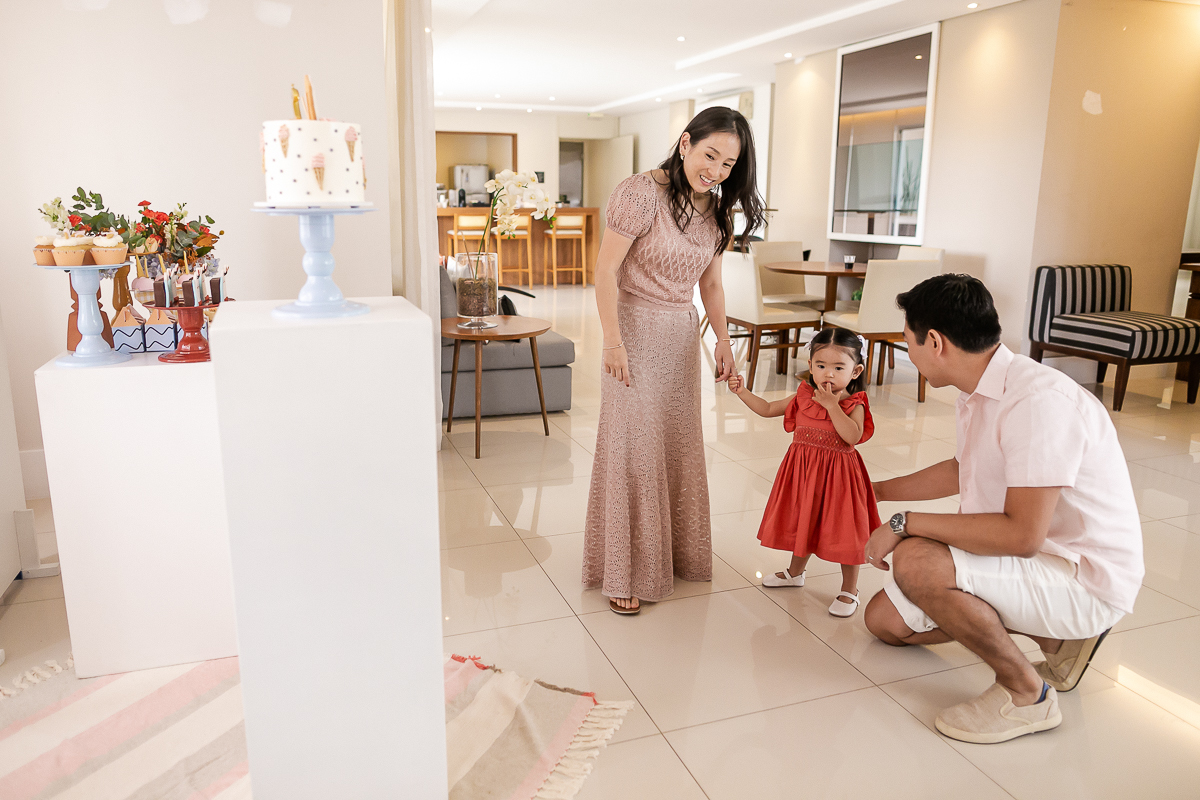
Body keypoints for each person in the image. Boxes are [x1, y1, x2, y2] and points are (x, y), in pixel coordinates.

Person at [862, 274, 1143, 744]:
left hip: (1083, 576)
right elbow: (962, 468)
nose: (909, 351)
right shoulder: (980, 388)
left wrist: (903, 523)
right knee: (885, 623)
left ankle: (1026, 693)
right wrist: (875, 491)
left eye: (909, 342)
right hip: (1033, 560)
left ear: (936, 343)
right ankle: (1057, 640)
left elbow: (1022, 536)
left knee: (916, 561)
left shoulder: (1037, 402)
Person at [582, 107, 764, 615]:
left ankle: (674, 556)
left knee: (675, 445)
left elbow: (712, 283)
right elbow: (605, 272)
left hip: (681, 337)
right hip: (633, 333)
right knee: (633, 448)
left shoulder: (717, 209)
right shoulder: (639, 193)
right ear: (685, 143)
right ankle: (624, 570)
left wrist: (723, 339)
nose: (717, 171)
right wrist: (612, 342)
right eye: (710, 155)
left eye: (729, 164)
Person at [728, 327, 881, 616]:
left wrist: (833, 406)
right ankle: (795, 573)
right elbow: (768, 408)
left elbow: (852, 436)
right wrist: (742, 392)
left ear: (856, 371)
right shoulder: (803, 396)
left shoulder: (853, 403)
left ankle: (850, 589)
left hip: (839, 480)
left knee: (845, 532)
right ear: (810, 366)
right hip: (804, 475)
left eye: (839, 368)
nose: (828, 374)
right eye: (821, 366)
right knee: (804, 521)